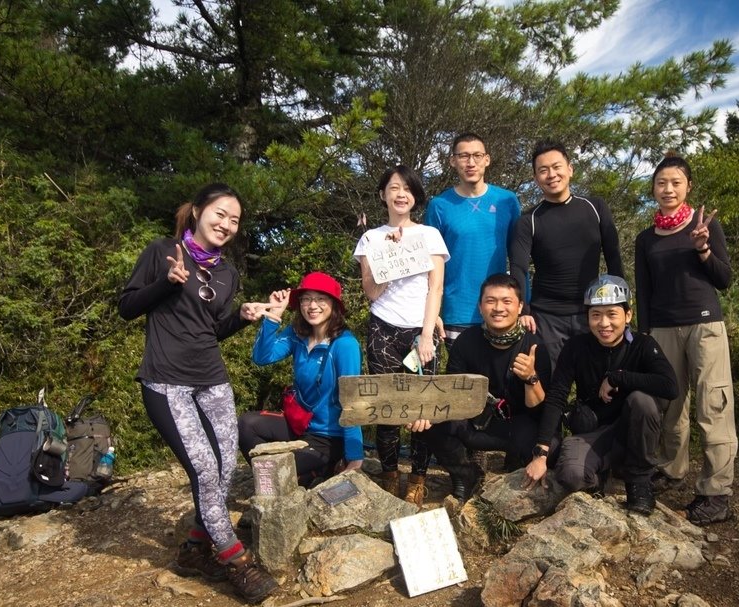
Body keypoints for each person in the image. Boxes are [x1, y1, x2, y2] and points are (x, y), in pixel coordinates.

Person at [118, 183, 278, 604]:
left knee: (224, 470)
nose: (226, 224)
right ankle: (235, 560)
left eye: (234, 220)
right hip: (166, 382)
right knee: (205, 470)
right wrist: (168, 283)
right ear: (198, 212)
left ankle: (193, 548)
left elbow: (212, 330)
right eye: (220, 214)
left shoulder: (227, 273)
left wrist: (243, 317)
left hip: (213, 380)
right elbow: (128, 306)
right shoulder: (163, 251)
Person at [634, 154, 737, 526]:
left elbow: (724, 279)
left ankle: (716, 493)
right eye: (661, 183)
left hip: (705, 325)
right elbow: (643, 291)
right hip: (661, 328)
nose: (668, 189)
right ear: (654, 188)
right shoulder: (645, 239)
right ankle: (671, 469)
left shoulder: (704, 225)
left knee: (713, 405)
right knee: (670, 406)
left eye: (676, 182)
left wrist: (703, 249)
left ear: (688, 186)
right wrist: (643, 334)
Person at [524, 275, 678, 516]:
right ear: (587, 317)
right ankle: (601, 475)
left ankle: (639, 482)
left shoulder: (643, 345)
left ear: (628, 316)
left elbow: (670, 386)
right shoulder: (576, 347)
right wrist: (541, 453)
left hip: (634, 430)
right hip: (596, 432)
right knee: (571, 475)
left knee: (642, 401)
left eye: (612, 314)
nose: (603, 323)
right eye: (596, 315)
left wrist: (619, 376)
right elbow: (557, 396)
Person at [354, 165, 449, 506]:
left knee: (424, 410)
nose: (400, 194)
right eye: (393, 188)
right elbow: (371, 293)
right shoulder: (371, 238)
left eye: (407, 189)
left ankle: (418, 479)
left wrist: (427, 336)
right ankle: (390, 473)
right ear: (383, 195)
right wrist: (389, 257)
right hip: (382, 327)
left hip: (420, 328)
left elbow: (435, 287)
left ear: (415, 196)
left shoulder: (430, 235)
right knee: (388, 408)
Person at [412, 273, 553, 499]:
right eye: (491, 301)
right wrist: (427, 414)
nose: (498, 308)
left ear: (520, 307)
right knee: (431, 424)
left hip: (520, 426)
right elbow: (451, 395)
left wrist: (530, 378)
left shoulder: (535, 346)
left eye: (507, 301)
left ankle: (517, 464)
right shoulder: (466, 341)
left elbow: (539, 409)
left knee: (552, 445)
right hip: (478, 424)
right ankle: (465, 474)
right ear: (480, 307)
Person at [237, 272, 364, 486]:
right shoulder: (297, 334)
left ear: (334, 304)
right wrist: (273, 316)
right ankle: (302, 477)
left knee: (274, 470)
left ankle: (317, 469)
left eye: (320, 299)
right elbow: (262, 357)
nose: (312, 305)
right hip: (298, 425)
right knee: (246, 424)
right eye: (306, 299)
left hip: (328, 437)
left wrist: (355, 458)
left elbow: (352, 401)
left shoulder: (345, 345)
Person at [509, 139, 624, 367]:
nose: (551, 174)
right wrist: (525, 311)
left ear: (570, 169)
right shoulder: (528, 220)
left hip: (593, 311)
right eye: (543, 170)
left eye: (556, 167)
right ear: (535, 178)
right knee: (549, 382)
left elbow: (613, 257)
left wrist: (620, 303)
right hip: (547, 317)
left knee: (597, 381)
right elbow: (518, 268)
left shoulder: (595, 208)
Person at [424, 133, 521, 350]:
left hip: (501, 310)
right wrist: (432, 314)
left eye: (477, 155)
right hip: (456, 311)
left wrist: (526, 305)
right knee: (463, 382)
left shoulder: (507, 201)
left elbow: (519, 258)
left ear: (487, 159)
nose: (471, 162)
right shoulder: (439, 206)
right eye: (464, 156)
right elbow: (429, 266)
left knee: (504, 381)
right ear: (452, 161)